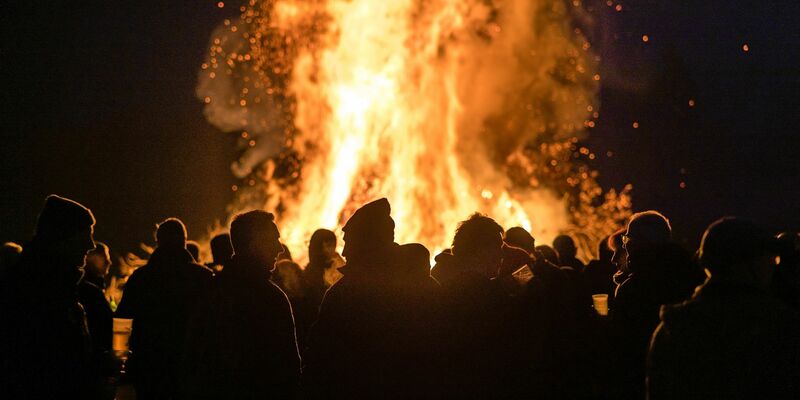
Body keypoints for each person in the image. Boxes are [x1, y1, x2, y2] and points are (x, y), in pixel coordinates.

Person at [648, 217, 800, 399]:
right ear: (751, 263)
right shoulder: (779, 324)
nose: (772, 265)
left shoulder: (672, 328)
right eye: (771, 258)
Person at [303, 199, 439, 398]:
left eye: (349, 242)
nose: (344, 252)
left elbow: (320, 357)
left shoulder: (345, 295)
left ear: (367, 243)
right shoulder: (423, 284)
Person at [183, 210, 301, 399]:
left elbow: (192, 355)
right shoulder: (270, 298)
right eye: (273, 240)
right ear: (255, 246)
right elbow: (287, 367)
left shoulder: (209, 292)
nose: (279, 249)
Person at [0, 195, 102, 398]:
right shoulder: (35, 289)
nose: (91, 244)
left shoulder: (58, 284)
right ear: (64, 235)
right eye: (85, 234)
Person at [115, 218, 213, 400]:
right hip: (191, 369)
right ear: (184, 240)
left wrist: (120, 359)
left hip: (150, 368)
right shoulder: (203, 278)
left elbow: (122, 320)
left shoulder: (141, 278)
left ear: (158, 241)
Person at [610, 211, 704, 399]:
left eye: (628, 239)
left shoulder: (634, 288)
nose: (626, 245)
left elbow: (623, 349)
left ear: (640, 243)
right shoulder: (694, 276)